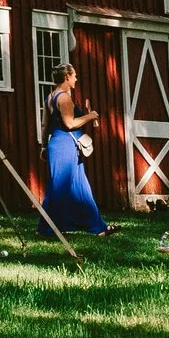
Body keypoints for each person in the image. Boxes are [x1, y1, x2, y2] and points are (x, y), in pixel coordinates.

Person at [41, 63, 114, 237]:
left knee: (80, 186)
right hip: (64, 145)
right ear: (67, 77)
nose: (76, 79)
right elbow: (69, 123)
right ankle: (48, 228)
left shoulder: (50, 96)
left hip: (58, 144)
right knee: (60, 187)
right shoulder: (64, 98)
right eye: (74, 75)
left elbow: (45, 125)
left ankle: (97, 227)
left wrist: (44, 146)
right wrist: (90, 116)